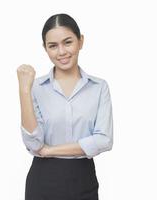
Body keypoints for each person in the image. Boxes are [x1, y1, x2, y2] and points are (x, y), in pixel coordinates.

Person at [17, 13, 113, 200]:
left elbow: (104, 140)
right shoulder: (34, 87)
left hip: (83, 180)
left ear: (81, 41)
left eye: (67, 42)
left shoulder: (99, 87)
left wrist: (50, 150)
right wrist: (24, 91)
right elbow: (34, 144)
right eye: (53, 46)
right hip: (42, 181)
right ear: (45, 48)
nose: (61, 52)